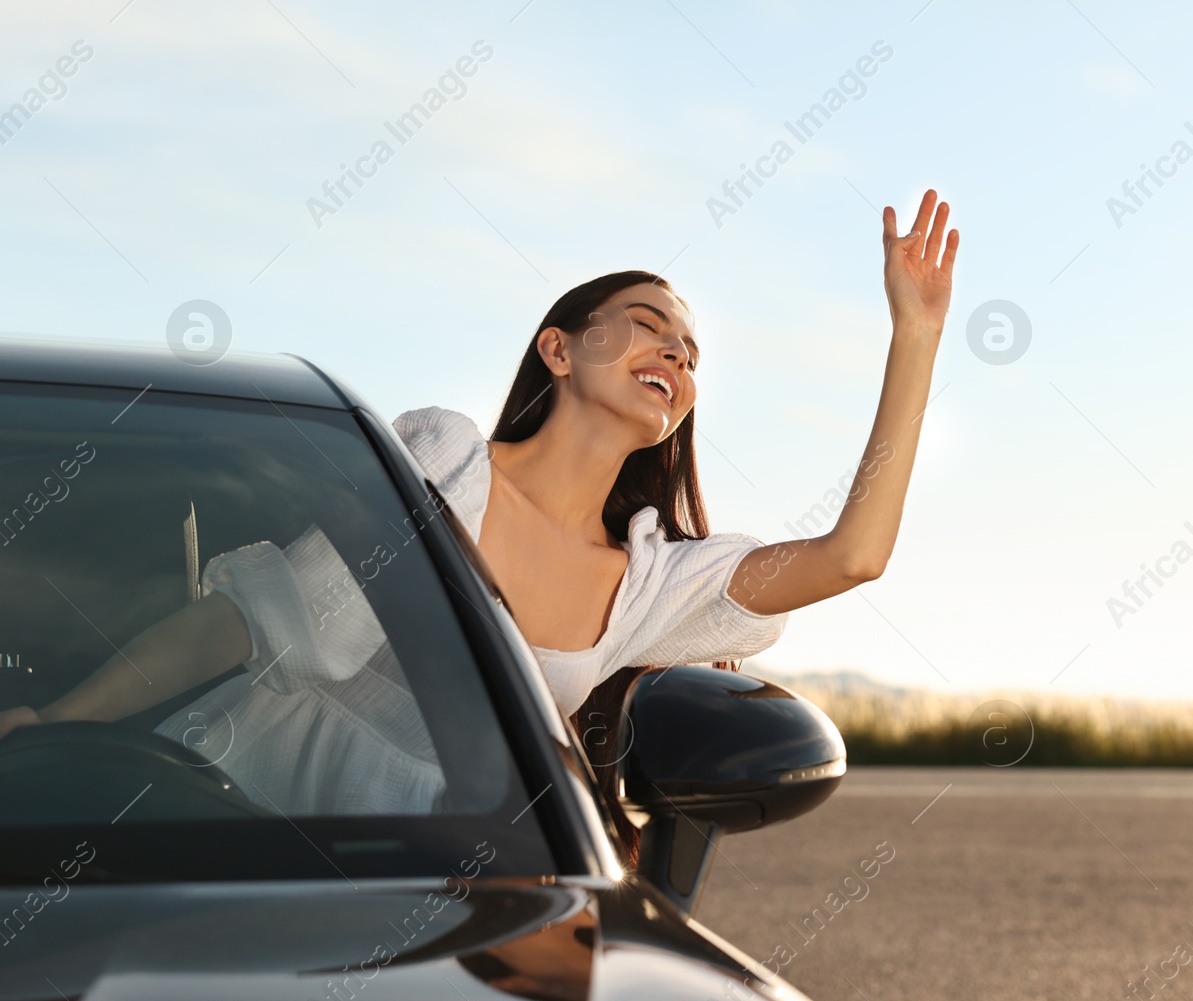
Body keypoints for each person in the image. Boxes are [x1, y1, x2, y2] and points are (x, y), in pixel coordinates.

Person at [0, 190, 959, 832]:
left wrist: (913, 335)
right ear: (559, 349)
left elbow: (853, 555)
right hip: (238, 819)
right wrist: (52, 723)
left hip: (455, 885)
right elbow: (240, 623)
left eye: (692, 353)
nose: (677, 354)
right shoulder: (449, 459)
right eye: (649, 326)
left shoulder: (656, 576)